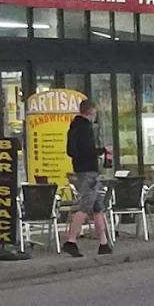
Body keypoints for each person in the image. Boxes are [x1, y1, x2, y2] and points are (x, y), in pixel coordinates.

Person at [62, 99, 113, 257]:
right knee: (86, 205)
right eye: (95, 111)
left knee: (98, 207)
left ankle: (103, 243)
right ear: (90, 111)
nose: (95, 114)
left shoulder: (73, 127)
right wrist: (103, 150)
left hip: (80, 169)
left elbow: (71, 151)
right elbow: (87, 150)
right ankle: (71, 241)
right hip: (88, 170)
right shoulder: (86, 128)